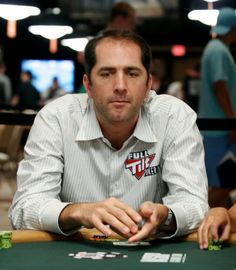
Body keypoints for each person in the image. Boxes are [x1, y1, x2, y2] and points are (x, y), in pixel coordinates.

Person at [9, 30, 208, 243]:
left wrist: (167, 216)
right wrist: (78, 212)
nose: (120, 86)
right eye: (106, 74)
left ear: (148, 85)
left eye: (132, 73)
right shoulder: (55, 118)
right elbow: (24, 209)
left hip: (150, 250)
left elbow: (194, 204)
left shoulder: (174, 117)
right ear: (88, 85)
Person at [198, 7, 236, 187]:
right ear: (233, 28)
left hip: (217, 127)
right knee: (222, 184)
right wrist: (232, 123)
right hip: (218, 129)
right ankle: (198, 214)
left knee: (224, 183)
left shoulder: (216, 48)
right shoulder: (218, 50)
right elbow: (219, 87)